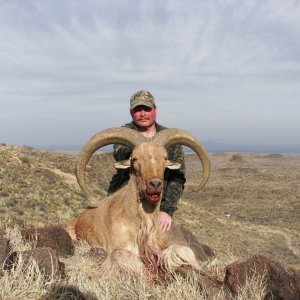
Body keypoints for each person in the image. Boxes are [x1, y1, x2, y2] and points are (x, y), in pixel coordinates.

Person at [108, 90, 186, 232]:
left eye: (147, 109)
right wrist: (131, 155)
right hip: (124, 202)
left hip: (156, 201)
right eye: (138, 110)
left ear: (155, 110)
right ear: (131, 112)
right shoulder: (124, 133)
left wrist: (166, 210)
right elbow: (120, 152)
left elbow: (178, 177)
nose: (143, 114)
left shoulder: (169, 138)